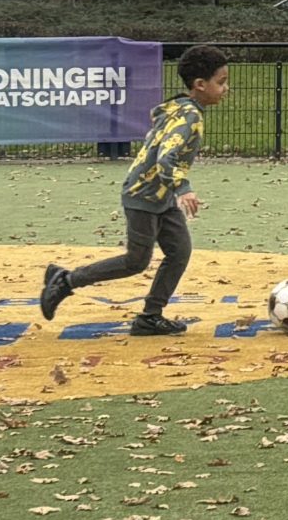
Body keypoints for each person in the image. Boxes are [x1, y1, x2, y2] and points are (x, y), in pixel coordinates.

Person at [40, 45, 230, 335]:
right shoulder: (189, 116)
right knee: (136, 261)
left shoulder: (182, 107)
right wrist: (183, 188)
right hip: (144, 195)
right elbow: (166, 158)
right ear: (200, 85)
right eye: (221, 81)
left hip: (161, 195)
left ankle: (150, 317)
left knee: (179, 252)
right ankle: (66, 281)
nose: (226, 88)